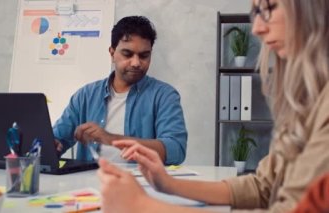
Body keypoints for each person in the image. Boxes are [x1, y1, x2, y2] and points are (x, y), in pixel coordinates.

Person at [97, 0, 329, 212]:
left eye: (268, 8)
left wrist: (142, 205)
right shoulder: (309, 99)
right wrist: (168, 184)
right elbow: (262, 186)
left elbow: (175, 147)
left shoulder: (164, 94)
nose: (256, 28)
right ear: (112, 53)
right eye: (256, 12)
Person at [52, 16, 187, 165]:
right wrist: (51, 145)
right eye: (127, 54)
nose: (136, 63)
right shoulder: (85, 96)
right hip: (90, 182)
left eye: (144, 56)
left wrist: (111, 138)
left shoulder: (164, 95)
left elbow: (176, 150)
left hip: (141, 185)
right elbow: (57, 138)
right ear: (112, 53)